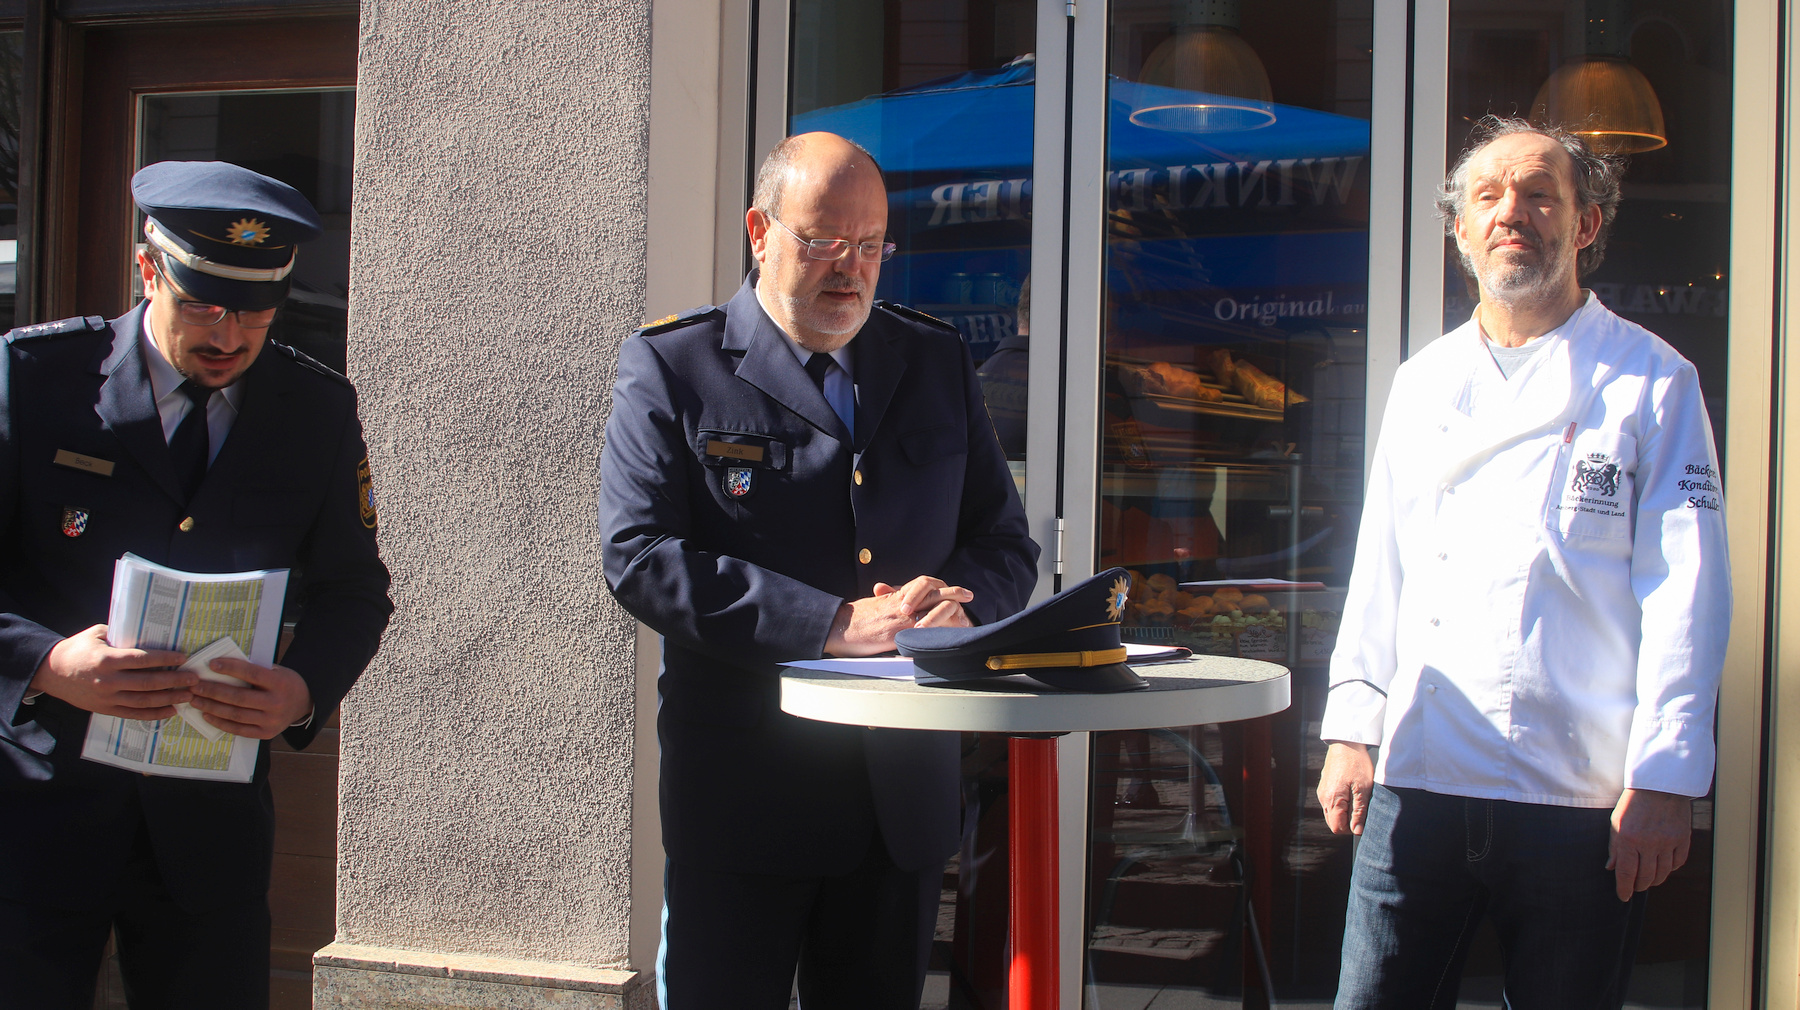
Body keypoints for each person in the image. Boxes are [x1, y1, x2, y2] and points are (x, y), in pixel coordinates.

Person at [598, 131, 1038, 1010]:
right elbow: (639, 554)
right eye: (824, 242)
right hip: (745, 807)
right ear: (760, 232)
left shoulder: (934, 359)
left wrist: (956, 607)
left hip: (897, 807)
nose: (852, 269)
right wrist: (832, 625)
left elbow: (1005, 542)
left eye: (871, 246)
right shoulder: (675, 367)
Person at [1315, 115, 1730, 1008]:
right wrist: (1353, 725)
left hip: (1579, 797)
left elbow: (1687, 594)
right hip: (1416, 778)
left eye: (1543, 194)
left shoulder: (1654, 381)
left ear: (1584, 225)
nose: (1515, 212)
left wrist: (1665, 777)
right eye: (1490, 196)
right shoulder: (1421, 380)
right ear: (1459, 229)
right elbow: (1380, 562)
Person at [0, 161, 393, 1008]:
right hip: (35, 810)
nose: (229, 335)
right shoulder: (36, 381)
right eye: (204, 306)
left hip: (207, 832)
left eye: (254, 311)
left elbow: (355, 590)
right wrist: (48, 662)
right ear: (150, 272)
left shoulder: (313, 409)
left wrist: (299, 693)